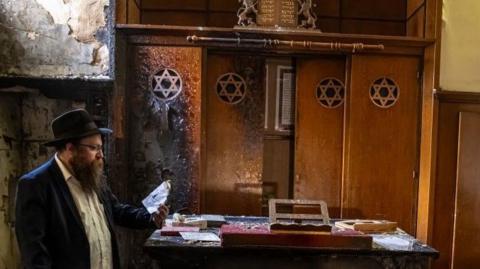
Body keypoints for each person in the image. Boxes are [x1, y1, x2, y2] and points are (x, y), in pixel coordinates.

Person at [15, 108, 169, 269]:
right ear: (70, 148)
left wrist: (150, 217)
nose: (100, 155)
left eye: (101, 148)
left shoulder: (90, 175)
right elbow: (35, 255)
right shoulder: (35, 185)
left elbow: (116, 211)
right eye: (94, 148)